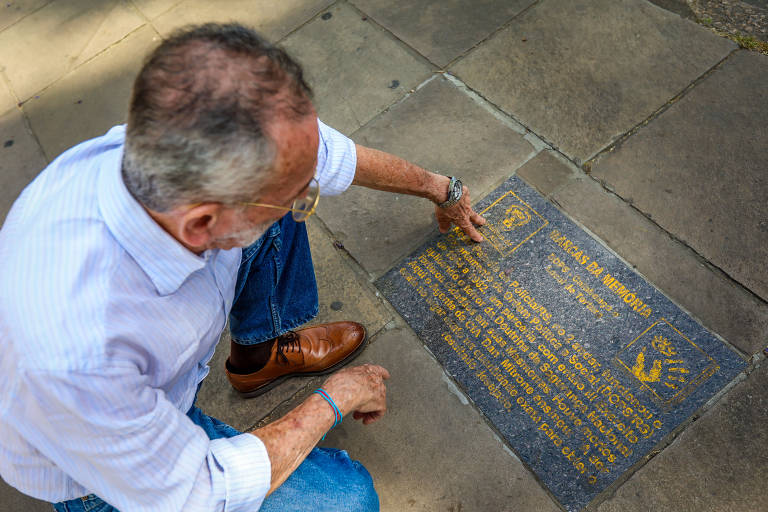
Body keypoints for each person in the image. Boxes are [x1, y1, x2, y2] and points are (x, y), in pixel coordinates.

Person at [0, 23, 486, 512]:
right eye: (299, 196)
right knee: (349, 499)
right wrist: (333, 401)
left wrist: (444, 189)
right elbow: (198, 492)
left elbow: (324, 156)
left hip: (149, 376)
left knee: (278, 204)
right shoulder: (79, 356)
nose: (307, 198)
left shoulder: (183, 148)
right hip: (104, 473)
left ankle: (258, 356)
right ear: (202, 223)